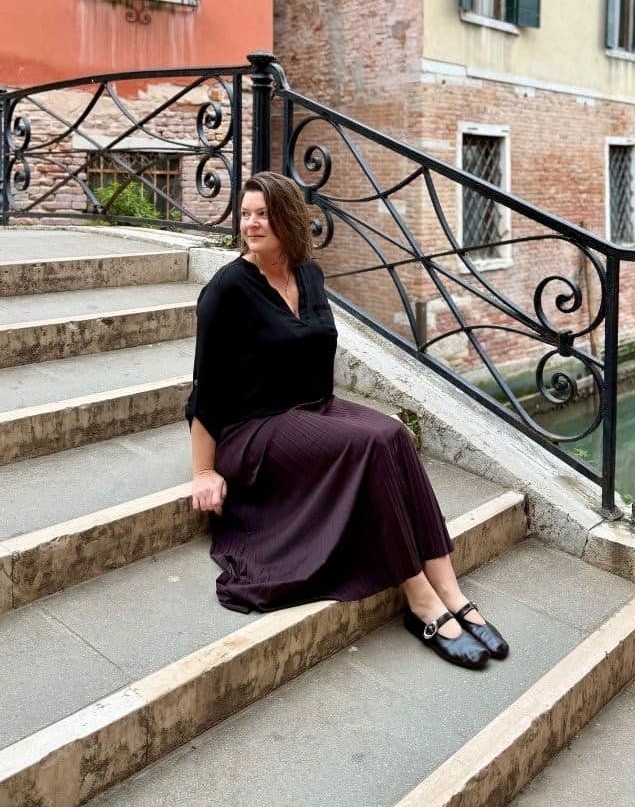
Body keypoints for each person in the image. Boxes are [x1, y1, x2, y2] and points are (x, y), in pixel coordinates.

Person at [187, 170, 509, 670]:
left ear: (287, 218)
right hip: (254, 429)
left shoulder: (309, 275)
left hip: (314, 409)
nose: (251, 224)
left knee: (394, 433)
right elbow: (206, 388)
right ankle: (421, 600)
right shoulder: (226, 289)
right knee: (370, 443)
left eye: (263, 214)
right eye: (245, 214)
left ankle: (451, 590)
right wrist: (204, 471)